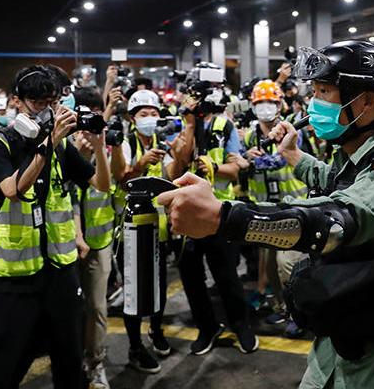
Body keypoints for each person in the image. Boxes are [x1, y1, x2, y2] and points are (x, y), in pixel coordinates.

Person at [159, 41, 374, 388]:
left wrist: (225, 217)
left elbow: (336, 221)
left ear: (365, 101)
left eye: (324, 91)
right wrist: (293, 156)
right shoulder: (357, 152)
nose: (314, 103)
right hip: (349, 333)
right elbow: (335, 182)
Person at [0, 65, 110, 389]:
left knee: (68, 359)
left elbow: (101, 184)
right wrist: (50, 140)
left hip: (60, 273)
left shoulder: (62, 147)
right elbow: (12, 189)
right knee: (3, 366)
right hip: (11, 279)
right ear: (16, 102)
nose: (47, 110)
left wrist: (101, 142)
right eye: (38, 102)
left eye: (52, 102)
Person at [171, 64, 258, 356]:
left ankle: (241, 324)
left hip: (218, 213)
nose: (200, 101)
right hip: (186, 214)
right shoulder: (181, 123)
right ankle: (207, 327)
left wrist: (215, 167)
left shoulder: (224, 125)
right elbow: (179, 162)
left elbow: (235, 169)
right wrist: (190, 123)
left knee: (226, 274)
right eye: (195, 95)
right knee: (191, 277)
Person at [110, 89, 179, 373]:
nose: (150, 119)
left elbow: (173, 175)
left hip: (158, 230)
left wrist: (180, 147)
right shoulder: (124, 143)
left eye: (154, 114)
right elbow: (120, 178)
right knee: (134, 292)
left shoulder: (162, 140)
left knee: (159, 288)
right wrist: (140, 163)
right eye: (143, 114)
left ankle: (156, 329)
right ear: (132, 118)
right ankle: (135, 346)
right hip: (131, 230)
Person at [242, 79, 307, 334]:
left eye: (270, 102)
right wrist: (247, 157)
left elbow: (281, 160)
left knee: (287, 264)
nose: (266, 107)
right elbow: (241, 164)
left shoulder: (290, 130)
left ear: (280, 104)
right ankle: (282, 307)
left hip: (292, 207)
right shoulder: (250, 135)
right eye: (260, 103)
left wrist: (258, 160)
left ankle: (299, 314)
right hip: (265, 209)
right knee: (269, 264)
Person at [70, 88, 118, 388]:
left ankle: (96, 361)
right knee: (70, 309)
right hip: (65, 246)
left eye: (94, 114)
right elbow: (67, 198)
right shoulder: (61, 150)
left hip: (100, 244)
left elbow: (107, 186)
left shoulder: (108, 150)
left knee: (98, 307)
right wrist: (76, 235)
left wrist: (99, 149)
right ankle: (71, 360)